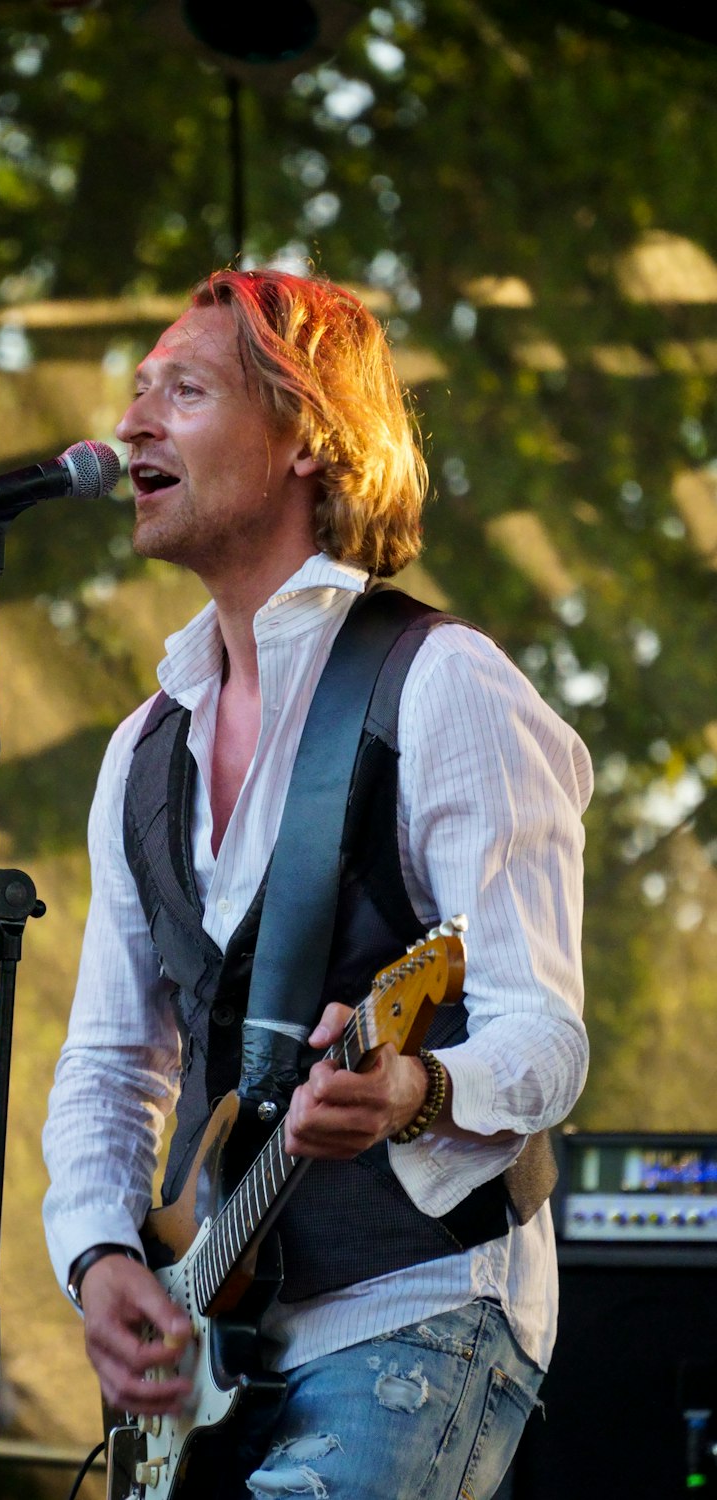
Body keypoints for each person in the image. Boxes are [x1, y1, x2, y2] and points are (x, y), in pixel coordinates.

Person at [42, 268, 592, 1499]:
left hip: (418, 1306)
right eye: (136, 390)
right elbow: (112, 1061)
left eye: (181, 390)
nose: (130, 424)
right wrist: (97, 1255)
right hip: (219, 1345)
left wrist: (413, 1080)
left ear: (308, 439)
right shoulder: (145, 753)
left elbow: (544, 1036)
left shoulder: (442, 684)